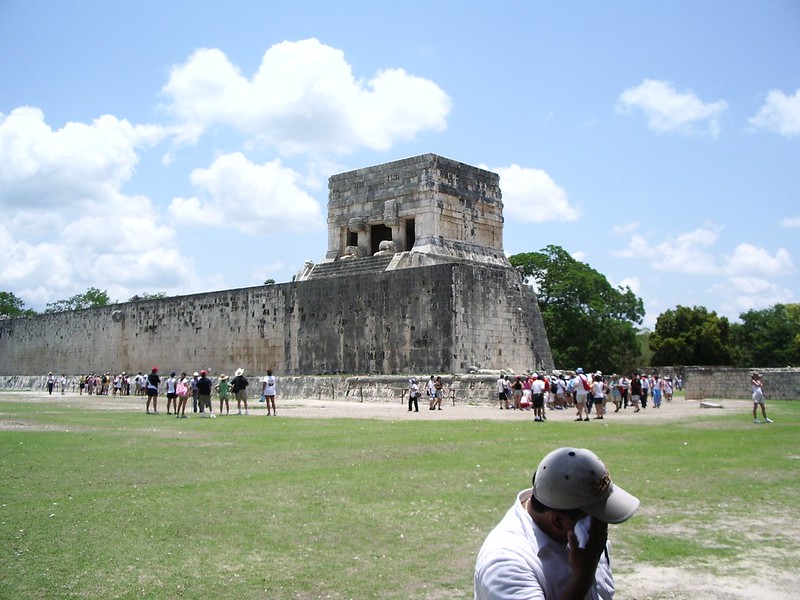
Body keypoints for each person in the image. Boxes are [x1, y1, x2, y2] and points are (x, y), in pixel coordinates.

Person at [474, 447, 640, 600]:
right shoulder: (505, 564)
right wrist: (583, 577)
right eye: (596, 516)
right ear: (558, 521)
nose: (603, 526)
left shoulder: (588, 538)